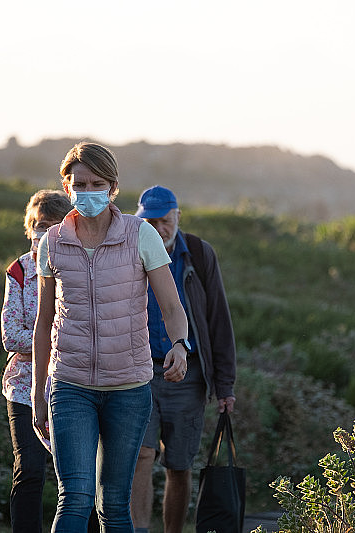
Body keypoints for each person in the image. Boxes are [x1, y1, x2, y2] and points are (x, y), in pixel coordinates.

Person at [32, 142, 190, 532]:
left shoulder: (141, 236)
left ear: (113, 187)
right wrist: (39, 391)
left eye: (96, 184)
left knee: (114, 505)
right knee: (74, 499)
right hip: (71, 386)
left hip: (129, 388)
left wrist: (180, 346)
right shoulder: (52, 243)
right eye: (79, 184)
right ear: (66, 188)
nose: (87, 192)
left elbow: (171, 306)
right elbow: (44, 320)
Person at [131, 185, 237, 533]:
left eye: (165, 220)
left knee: (179, 465)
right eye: (150, 221)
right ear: (139, 219)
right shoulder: (128, 249)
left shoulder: (200, 254)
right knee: (141, 456)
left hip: (187, 376)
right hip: (138, 372)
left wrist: (225, 385)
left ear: (177, 217)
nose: (159, 228)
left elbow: (218, 319)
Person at [1, 189, 73, 533]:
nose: (44, 232)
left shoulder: (77, 265)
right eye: (39, 225)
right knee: (29, 469)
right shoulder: (18, 270)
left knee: (76, 475)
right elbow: (10, 336)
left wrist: (42, 335)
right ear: (30, 228)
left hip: (70, 383)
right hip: (23, 386)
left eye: (53, 225)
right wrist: (49, 336)